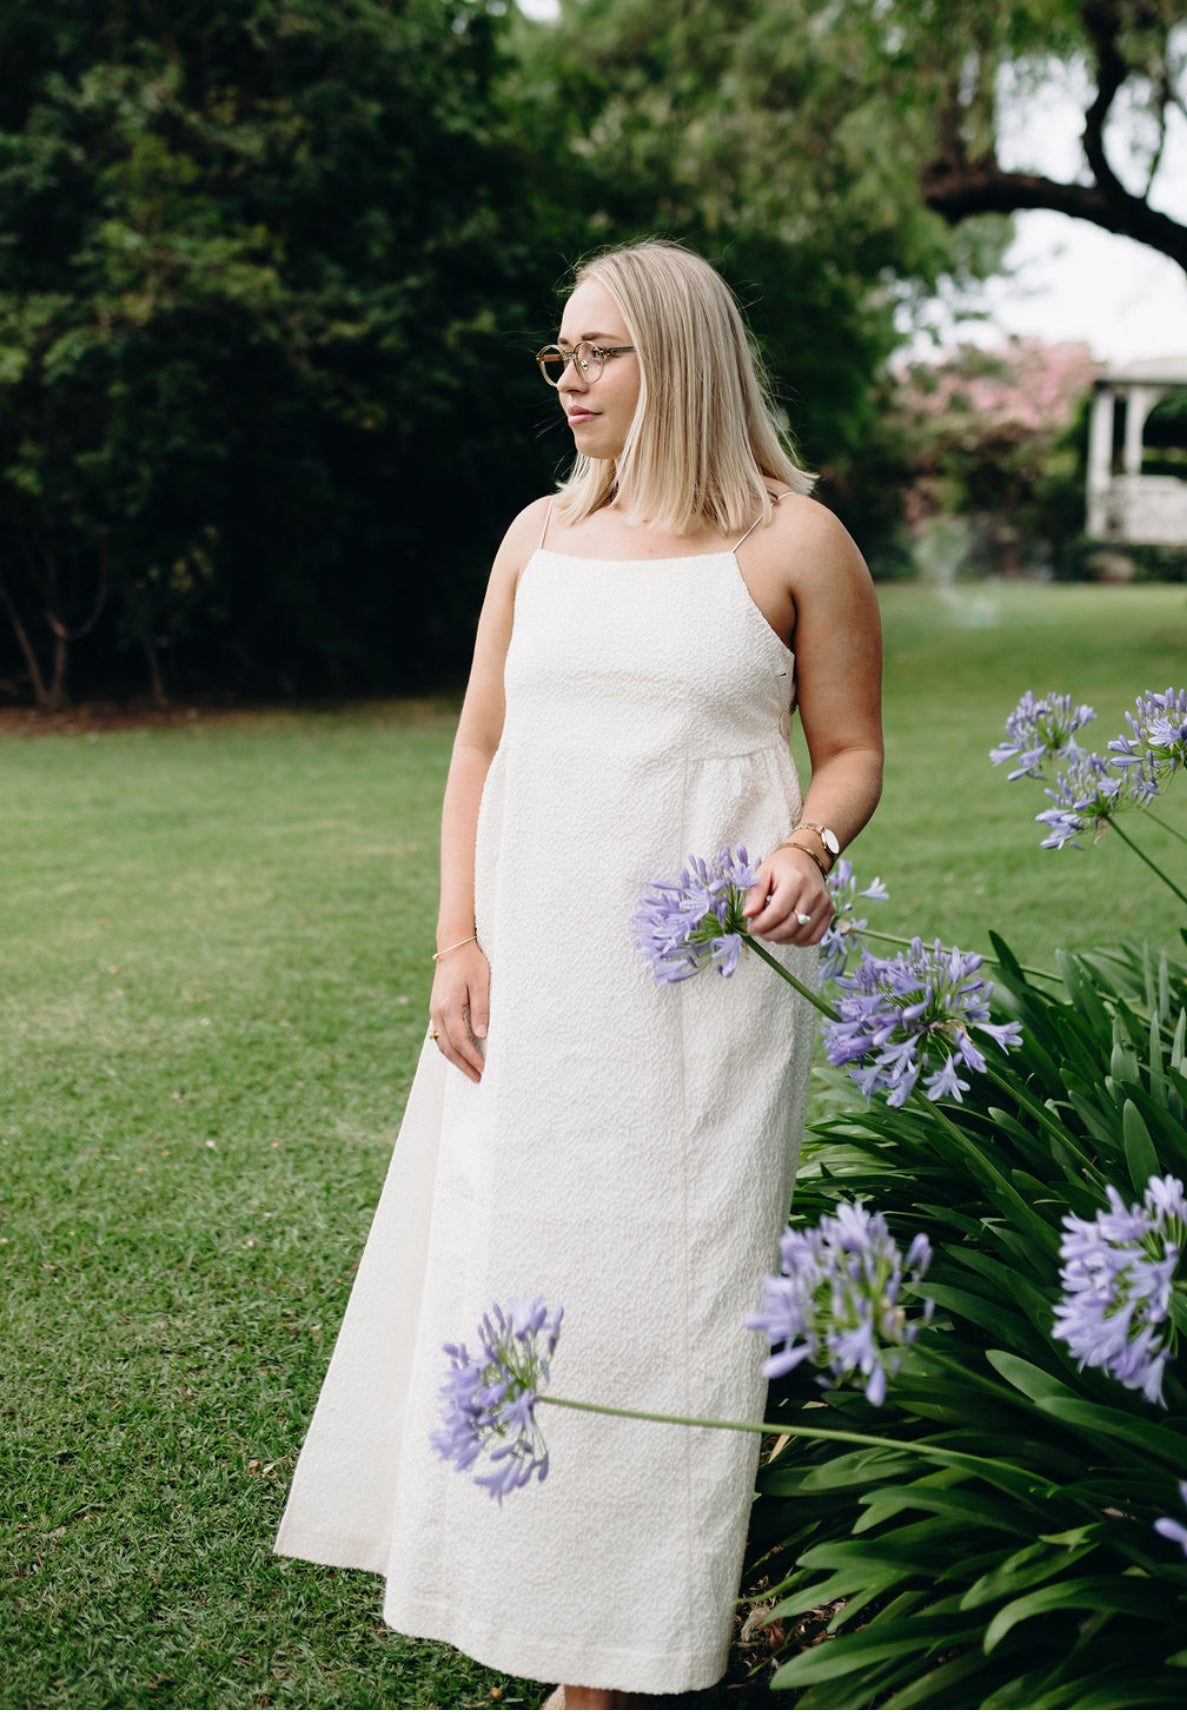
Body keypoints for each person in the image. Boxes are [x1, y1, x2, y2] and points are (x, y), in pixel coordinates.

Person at [274, 239, 883, 1710]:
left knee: (659, 1300)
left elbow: (854, 750)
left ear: (679, 358)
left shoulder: (798, 543)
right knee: (516, 1275)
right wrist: (456, 939)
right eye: (560, 356)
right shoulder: (537, 538)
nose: (570, 382)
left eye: (597, 353)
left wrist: (808, 841)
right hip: (531, 981)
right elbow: (478, 745)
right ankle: (509, 1591)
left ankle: (622, 1659)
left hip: (701, 999)